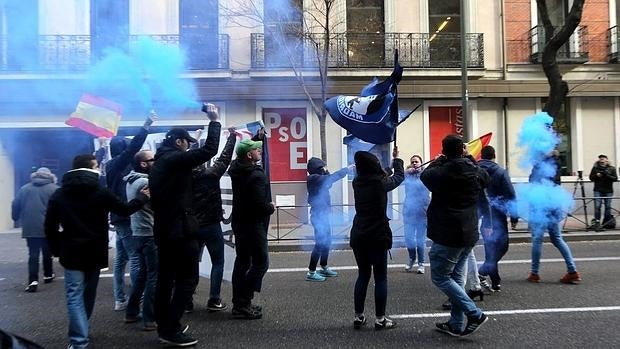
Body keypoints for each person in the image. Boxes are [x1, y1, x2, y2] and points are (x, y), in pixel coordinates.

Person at [44, 154, 149, 349]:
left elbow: (50, 226)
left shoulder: (59, 193)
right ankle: (81, 332)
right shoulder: (101, 191)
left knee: (74, 295)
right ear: (91, 167)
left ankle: (78, 340)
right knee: (88, 294)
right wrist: (142, 197)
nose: (100, 168)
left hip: (71, 252)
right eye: (97, 165)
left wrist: (57, 249)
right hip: (95, 251)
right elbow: (124, 210)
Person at [149, 103, 221, 347]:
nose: (189, 145)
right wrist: (214, 120)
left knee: (166, 279)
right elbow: (209, 150)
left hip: (165, 229)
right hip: (179, 230)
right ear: (179, 142)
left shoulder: (161, 161)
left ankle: (165, 325)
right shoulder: (173, 160)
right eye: (187, 142)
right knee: (187, 280)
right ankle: (171, 328)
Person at [420, 135, 490, 337]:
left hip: (447, 233)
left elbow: (425, 176)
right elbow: (486, 178)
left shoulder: (442, 172)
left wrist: (439, 159)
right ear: (463, 150)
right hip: (468, 232)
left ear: (444, 150)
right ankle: (456, 323)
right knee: (457, 277)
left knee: (441, 277)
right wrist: (469, 159)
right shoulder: (475, 171)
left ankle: (474, 314)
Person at [350, 147, 404, 330]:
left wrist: (388, 169)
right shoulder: (380, 183)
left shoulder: (357, 182)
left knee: (363, 275)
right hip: (377, 234)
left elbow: (382, 176)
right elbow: (398, 178)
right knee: (380, 278)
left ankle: (359, 317)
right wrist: (398, 161)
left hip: (359, 233)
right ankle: (380, 319)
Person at [107, 113, 154, 311]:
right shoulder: (120, 164)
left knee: (121, 259)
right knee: (135, 257)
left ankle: (120, 299)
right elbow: (134, 147)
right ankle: (139, 298)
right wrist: (146, 125)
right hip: (127, 215)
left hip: (119, 217)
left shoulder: (111, 166)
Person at [187, 127, 237, 312]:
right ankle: (214, 299)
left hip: (192, 225)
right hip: (211, 225)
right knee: (218, 262)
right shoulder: (210, 175)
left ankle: (187, 300)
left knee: (191, 263)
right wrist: (232, 138)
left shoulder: (183, 177)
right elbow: (224, 159)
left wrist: (196, 137)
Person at [228, 138, 275, 319]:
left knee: (242, 262)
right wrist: (270, 207)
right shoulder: (256, 175)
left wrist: (257, 137)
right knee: (261, 262)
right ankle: (243, 302)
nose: (260, 152)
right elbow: (259, 205)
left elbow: (240, 156)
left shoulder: (236, 169)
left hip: (239, 222)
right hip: (253, 224)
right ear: (249, 155)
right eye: (257, 150)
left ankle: (240, 304)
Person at [527, 150, 581, 284]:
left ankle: (534, 273)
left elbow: (533, 181)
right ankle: (572, 271)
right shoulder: (556, 163)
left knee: (537, 238)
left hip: (541, 205)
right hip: (554, 205)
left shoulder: (542, 164)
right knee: (557, 238)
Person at [123, 150, 158, 330]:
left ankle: (131, 312)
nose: (156, 161)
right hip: (149, 233)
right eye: (153, 159)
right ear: (143, 164)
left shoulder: (130, 180)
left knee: (142, 276)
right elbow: (158, 205)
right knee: (154, 276)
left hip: (137, 233)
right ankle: (149, 318)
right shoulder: (145, 182)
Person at [11, 167, 60, 292]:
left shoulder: (24, 189)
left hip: (30, 225)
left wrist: (15, 217)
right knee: (47, 251)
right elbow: (61, 206)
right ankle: (48, 274)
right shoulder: (55, 189)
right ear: (50, 176)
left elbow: (15, 204)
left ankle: (33, 281)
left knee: (33, 254)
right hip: (49, 226)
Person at [305, 157, 353, 282]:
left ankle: (324, 266)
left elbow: (329, 182)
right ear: (317, 168)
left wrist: (326, 170)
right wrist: (346, 170)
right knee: (320, 243)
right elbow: (332, 178)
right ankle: (311, 272)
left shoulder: (320, 180)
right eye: (322, 167)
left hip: (324, 216)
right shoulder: (313, 178)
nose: (324, 169)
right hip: (318, 216)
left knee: (327, 242)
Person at [477, 145, 518, 292]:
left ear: (482, 155)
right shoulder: (500, 172)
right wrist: (514, 217)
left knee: (490, 248)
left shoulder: (475, 169)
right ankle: (482, 272)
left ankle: (495, 281)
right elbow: (511, 196)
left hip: (482, 215)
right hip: (498, 215)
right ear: (494, 156)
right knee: (502, 246)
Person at [402, 155, 430, 274]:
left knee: (420, 240)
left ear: (421, 163)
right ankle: (412, 258)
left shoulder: (426, 175)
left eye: (416, 162)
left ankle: (421, 263)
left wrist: (421, 173)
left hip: (422, 212)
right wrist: (406, 172)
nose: (414, 163)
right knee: (409, 239)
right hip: (409, 212)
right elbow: (399, 178)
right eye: (412, 162)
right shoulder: (408, 175)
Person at [588, 154, 617, 231]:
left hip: (608, 190)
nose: (602, 160)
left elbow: (615, 178)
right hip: (598, 190)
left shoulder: (612, 168)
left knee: (608, 207)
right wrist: (596, 175)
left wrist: (606, 175)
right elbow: (591, 178)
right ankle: (597, 223)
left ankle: (606, 223)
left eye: (603, 159)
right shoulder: (595, 168)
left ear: (607, 160)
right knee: (597, 206)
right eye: (600, 159)